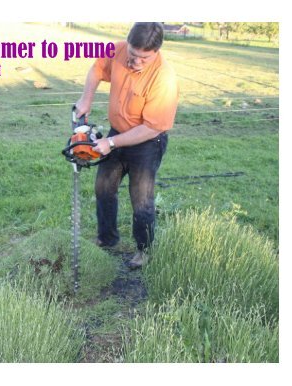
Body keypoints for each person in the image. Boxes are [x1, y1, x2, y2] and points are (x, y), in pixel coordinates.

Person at [75, 22, 179, 269]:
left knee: (141, 200)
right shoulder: (118, 50)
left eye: (144, 58)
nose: (136, 62)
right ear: (127, 44)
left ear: (156, 52)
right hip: (117, 133)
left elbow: (152, 127)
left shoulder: (164, 78)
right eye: (133, 55)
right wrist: (86, 99)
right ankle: (107, 239)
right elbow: (97, 68)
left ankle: (144, 251)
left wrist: (110, 143)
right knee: (103, 187)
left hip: (146, 142)